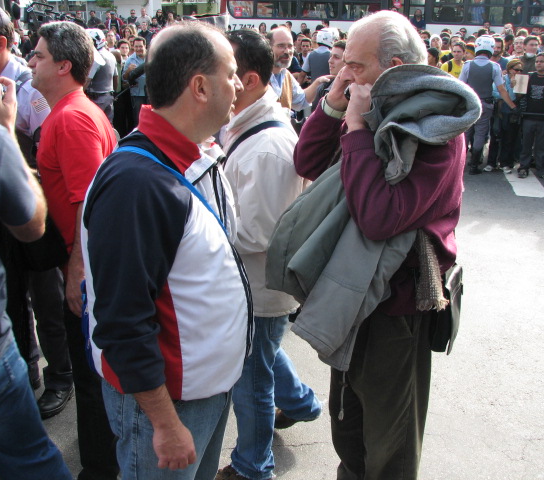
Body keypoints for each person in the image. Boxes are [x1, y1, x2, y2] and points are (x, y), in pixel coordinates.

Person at [292, 10, 478, 480]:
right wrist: (334, 107)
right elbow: (308, 161)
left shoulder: (437, 127)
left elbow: (379, 217)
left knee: (389, 450)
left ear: (394, 67)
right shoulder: (373, 106)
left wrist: (356, 129)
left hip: (396, 308)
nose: (343, 74)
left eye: (355, 65)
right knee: (349, 431)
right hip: (351, 296)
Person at [82, 22, 251, 480]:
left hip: (200, 394)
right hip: (166, 406)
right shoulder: (137, 184)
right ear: (200, 87)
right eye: (230, 73)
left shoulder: (188, 155)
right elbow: (123, 320)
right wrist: (164, 423)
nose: (240, 85)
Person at [0, 3, 71, 478]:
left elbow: (48, 150)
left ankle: (58, 375)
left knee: (45, 303)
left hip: (20, 223)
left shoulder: (26, 90)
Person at [215, 29, 321, 480]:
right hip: (256, 287)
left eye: (221, 71)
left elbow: (259, 234)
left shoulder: (267, 147)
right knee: (264, 354)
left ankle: (252, 466)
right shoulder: (248, 125)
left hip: (260, 289)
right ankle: (301, 403)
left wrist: (202, 229)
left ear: (249, 80)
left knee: (253, 382)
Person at [28, 21, 119, 480]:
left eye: (39, 55)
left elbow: (89, 203)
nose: (31, 62)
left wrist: (76, 271)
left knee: (91, 377)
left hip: (85, 269)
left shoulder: (71, 117)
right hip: (82, 263)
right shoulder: (73, 112)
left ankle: (100, 469)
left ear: (64, 66)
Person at [459, 35, 518, 174]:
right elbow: (501, 89)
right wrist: (513, 106)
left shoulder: (468, 65)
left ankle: (460, 164)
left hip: (469, 103)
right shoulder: (494, 66)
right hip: (485, 104)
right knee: (480, 133)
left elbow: (460, 85)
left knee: (466, 133)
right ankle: (474, 165)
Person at [516, 52, 544, 179]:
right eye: (537, 61)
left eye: (541, 61)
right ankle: (523, 167)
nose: (538, 64)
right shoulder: (528, 76)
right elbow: (519, 96)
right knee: (526, 145)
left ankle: (542, 169)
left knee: (542, 147)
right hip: (528, 116)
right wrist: (517, 83)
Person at [267, 27, 329, 112]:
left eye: (290, 46)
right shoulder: (257, 75)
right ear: (268, 47)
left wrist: (319, 82)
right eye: (281, 46)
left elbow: (301, 100)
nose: (287, 51)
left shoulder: (286, 75)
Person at [497, 58, 524, 174]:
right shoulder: (502, 79)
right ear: (509, 69)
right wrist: (511, 87)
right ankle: (502, 162)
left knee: (514, 138)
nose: (518, 72)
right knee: (504, 137)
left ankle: (510, 161)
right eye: (516, 70)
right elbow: (496, 93)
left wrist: (515, 86)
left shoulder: (521, 80)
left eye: (520, 70)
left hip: (516, 112)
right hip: (503, 111)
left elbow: (519, 96)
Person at [86, 29, 118, 122]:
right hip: (109, 96)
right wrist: (114, 93)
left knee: (96, 124)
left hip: (96, 98)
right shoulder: (111, 55)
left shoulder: (96, 57)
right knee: (108, 124)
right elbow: (115, 77)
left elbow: (88, 79)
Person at [311, 39, 346, 109]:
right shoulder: (324, 86)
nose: (330, 61)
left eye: (336, 57)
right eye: (330, 56)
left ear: (347, 61)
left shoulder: (354, 91)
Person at [123, 36, 147, 125]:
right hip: (137, 94)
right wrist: (128, 71)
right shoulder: (130, 60)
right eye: (136, 46)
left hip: (151, 94)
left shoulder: (152, 57)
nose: (138, 49)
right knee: (138, 119)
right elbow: (124, 79)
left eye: (140, 46)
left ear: (145, 46)